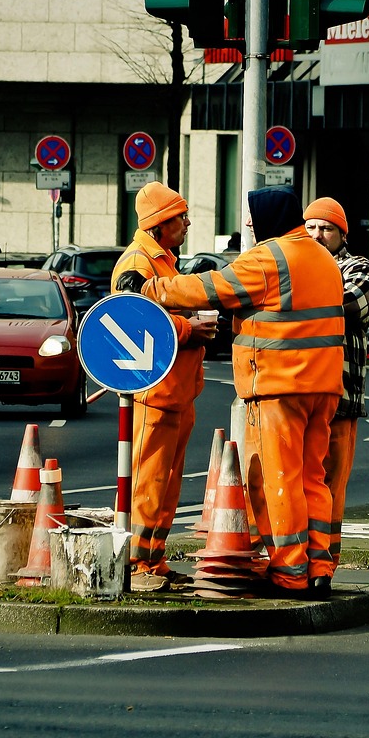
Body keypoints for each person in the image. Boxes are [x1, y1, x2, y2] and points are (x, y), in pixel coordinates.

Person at [141, 186, 345, 599]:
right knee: (313, 478)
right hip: (323, 386)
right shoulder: (324, 258)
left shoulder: (271, 257)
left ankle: (290, 571)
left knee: (278, 480)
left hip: (280, 386)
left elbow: (210, 289)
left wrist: (151, 290)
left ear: (269, 219)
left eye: (253, 218)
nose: (250, 225)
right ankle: (320, 567)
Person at [112, 182, 217, 592]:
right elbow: (131, 321)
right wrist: (190, 327)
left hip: (174, 391)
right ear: (159, 225)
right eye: (181, 217)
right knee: (148, 480)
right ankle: (138, 563)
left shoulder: (162, 262)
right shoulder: (137, 263)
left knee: (167, 481)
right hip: (155, 392)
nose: (188, 223)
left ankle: (152, 560)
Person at [303, 197, 369, 586]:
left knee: (330, 485)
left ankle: (324, 566)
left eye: (326, 229)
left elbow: (349, 305)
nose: (317, 235)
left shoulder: (360, 269)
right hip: (297, 395)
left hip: (341, 399)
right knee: (295, 481)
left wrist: (296, 297)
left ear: (341, 234)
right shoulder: (297, 263)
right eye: (311, 227)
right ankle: (292, 560)